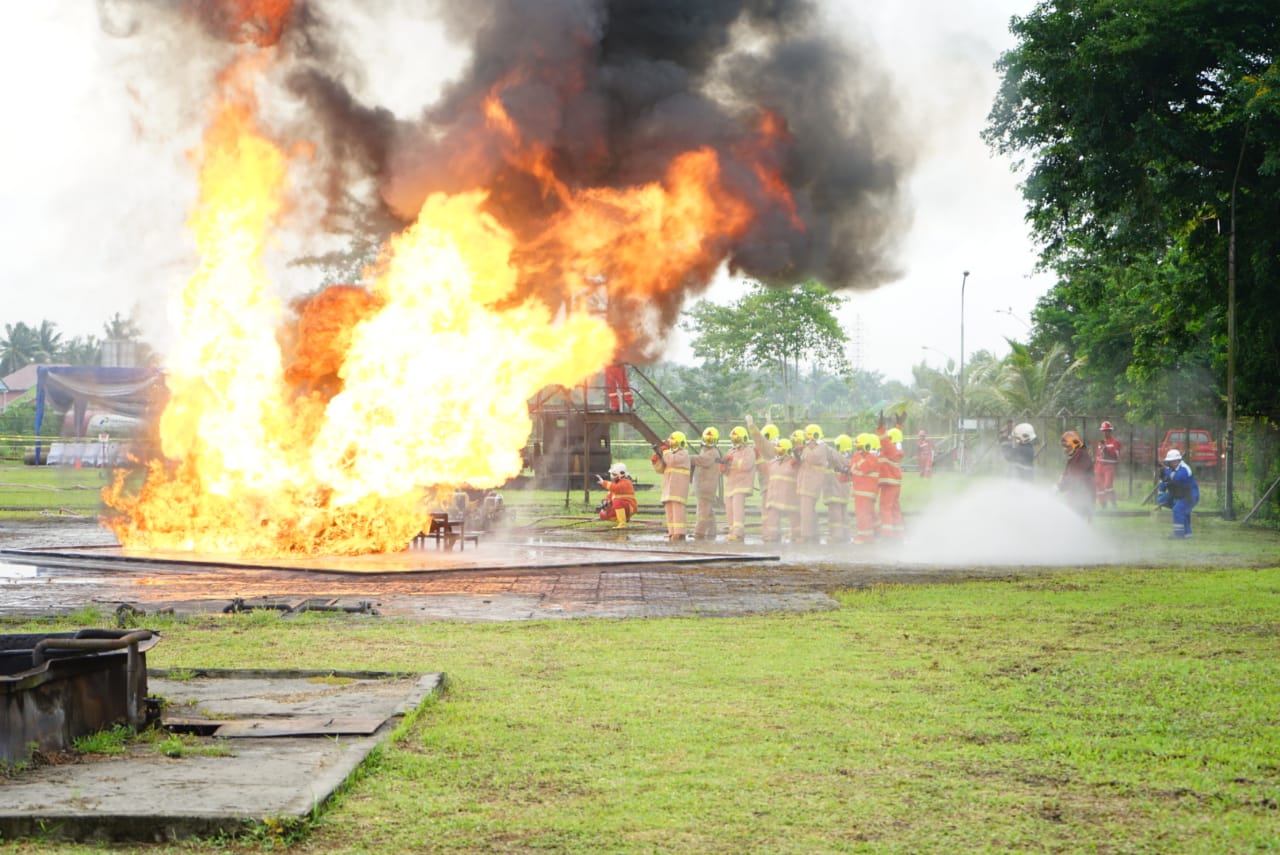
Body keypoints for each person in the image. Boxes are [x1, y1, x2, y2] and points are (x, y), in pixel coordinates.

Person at [796, 424, 836, 543]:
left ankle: (806, 535)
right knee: (808, 510)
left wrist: (804, 449)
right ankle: (813, 533)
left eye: (808, 438)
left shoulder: (821, 448)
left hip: (811, 484)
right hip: (806, 483)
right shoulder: (812, 448)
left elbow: (812, 458)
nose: (807, 441)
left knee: (806, 511)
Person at [651, 430, 691, 542]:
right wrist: (656, 461)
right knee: (669, 510)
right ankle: (672, 532)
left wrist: (665, 452)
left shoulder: (683, 453)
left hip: (678, 487)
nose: (670, 445)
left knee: (677, 510)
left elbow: (672, 461)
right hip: (669, 487)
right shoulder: (670, 454)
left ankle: (679, 533)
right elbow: (662, 469)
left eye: (672, 443)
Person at [761, 438, 800, 543]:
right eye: (777, 451)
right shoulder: (772, 463)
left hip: (789, 496)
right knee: (772, 519)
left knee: (794, 518)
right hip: (773, 496)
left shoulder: (793, 463)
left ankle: (797, 536)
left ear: (787, 451)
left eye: (781, 451)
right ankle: (772, 537)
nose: (779, 453)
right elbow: (762, 468)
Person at [722, 426, 756, 542]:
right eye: (733, 439)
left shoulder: (749, 451)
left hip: (742, 484)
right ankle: (732, 531)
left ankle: (738, 533)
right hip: (731, 484)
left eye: (737, 439)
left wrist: (732, 461)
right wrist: (723, 467)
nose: (734, 442)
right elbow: (728, 471)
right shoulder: (731, 451)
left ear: (743, 439)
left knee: (737, 508)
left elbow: (746, 465)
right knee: (729, 509)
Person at [1159, 448, 1200, 538]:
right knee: (1182, 511)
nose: (1168, 463)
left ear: (1175, 461)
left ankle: (1178, 534)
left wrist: (1165, 470)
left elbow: (1176, 477)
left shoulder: (1184, 469)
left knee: (1178, 510)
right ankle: (1188, 535)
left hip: (1190, 495)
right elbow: (1167, 480)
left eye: (1169, 461)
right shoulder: (1173, 468)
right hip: (1182, 494)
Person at [849, 433, 881, 545]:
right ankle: (877, 533)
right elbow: (854, 470)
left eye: (859, 447)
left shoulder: (872, 458)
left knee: (863, 514)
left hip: (865, 492)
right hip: (862, 492)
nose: (857, 450)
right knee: (870, 514)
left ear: (867, 446)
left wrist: (857, 457)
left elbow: (864, 468)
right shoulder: (865, 457)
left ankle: (865, 537)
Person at [691, 427, 722, 540]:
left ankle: (699, 533)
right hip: (702, 487)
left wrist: (686, 458)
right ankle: (712, 532)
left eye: (711, 441)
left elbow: (701, 460)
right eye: (707, 440)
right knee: (708, 511)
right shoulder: (705, 450)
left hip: (706, 487)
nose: (708, 443)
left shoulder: (713, 452)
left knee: (702, 512)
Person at [1056, 430, 1095, 521]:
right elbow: (1067, 474)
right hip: (1076, 496)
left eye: (1066, 446)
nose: (1064, 449)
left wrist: (1059, 486)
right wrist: (1060, 483)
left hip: (1082, 497)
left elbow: (1075, 476)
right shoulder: (1075, 457)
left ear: (1073, 445)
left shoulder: (1082, 456)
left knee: (1079, 521)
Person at [824, 434, 854, 542]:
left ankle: (836, 536)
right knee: (844, 513)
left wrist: (821, 443)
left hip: (834, 490)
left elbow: (831, 453)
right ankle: (846, 534)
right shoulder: (849, 458)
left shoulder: (837, 457)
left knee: (834, 514)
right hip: (844, 490)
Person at [878, 427, 904, 538]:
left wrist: (881, 428)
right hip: (895, 485)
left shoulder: (890, 449)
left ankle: (887, 534)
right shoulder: (895, 451)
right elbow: (895, 435)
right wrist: (899, 426)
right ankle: (898, 533)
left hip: (889, 485)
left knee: (885, 508)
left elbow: (884, 440)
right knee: (894, 508)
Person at [595, 463, 637, 528]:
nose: (612, 476)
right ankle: (624, 519)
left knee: (617, 501)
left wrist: (604, 483)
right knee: (603, 514)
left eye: (614, 474)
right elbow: (609, 496)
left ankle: (622, 524)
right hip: (622, 507)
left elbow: (616, 488)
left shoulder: (626, 482)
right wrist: (606, 504)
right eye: (612, 474)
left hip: (630, 507)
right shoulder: (614, 484)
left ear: (622, 474)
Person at [1094, 420, 1122, 508]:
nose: (1105, 432)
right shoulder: (1100, 443)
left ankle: (1114, 503)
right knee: (1099, 487)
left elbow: (1116, 457)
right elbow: (1098, 456)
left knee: (1107, 486)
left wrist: (1107, 451)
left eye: (1107, 430)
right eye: (1104, 431)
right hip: (1099, 467)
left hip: (1109, 467)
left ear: (1110, 431)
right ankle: (1103, 505)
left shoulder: (1115, 442)